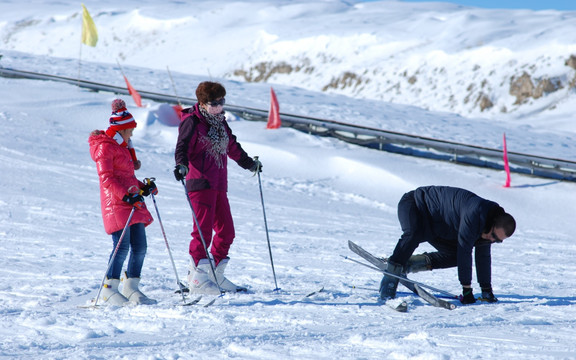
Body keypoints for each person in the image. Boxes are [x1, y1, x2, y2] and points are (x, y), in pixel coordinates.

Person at [174, 81, 261, 295]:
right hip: (200, 182)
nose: (219, 107)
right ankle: (197, 279)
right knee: (202, 232)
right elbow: (182, 146)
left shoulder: (220, 123)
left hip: (219, 184)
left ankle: (214, 276)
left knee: (227, 231)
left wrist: (249, 163)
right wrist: (181, 165)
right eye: (214, 104)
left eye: (222, 102)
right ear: (202, 103)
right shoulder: (192, 121)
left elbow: (232, 146)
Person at [379, 185, 516, 305]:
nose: (492, 240)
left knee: (455, 256)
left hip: (437, 226)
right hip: (415, 205)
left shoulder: (488, 228)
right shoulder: (475, 213)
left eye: (497, 240)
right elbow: (465, 250)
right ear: (493, 224)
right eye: (493, 236)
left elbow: (483, 256)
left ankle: (408, 264)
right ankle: (391, 277)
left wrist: (486, 290)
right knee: (413, 234)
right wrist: (466, 289)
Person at [89, 99, 158, 305]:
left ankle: (131, 287)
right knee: (122, 246)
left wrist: (143, 187)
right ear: (121, 130)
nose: (132, 135)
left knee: (140, 247)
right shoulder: (105, 148)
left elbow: (127, 178)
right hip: (116, 203)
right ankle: (109, 289)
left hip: (130, 202)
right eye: (130, 131)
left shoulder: (121, 148)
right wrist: (127, 196)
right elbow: (107, 179)